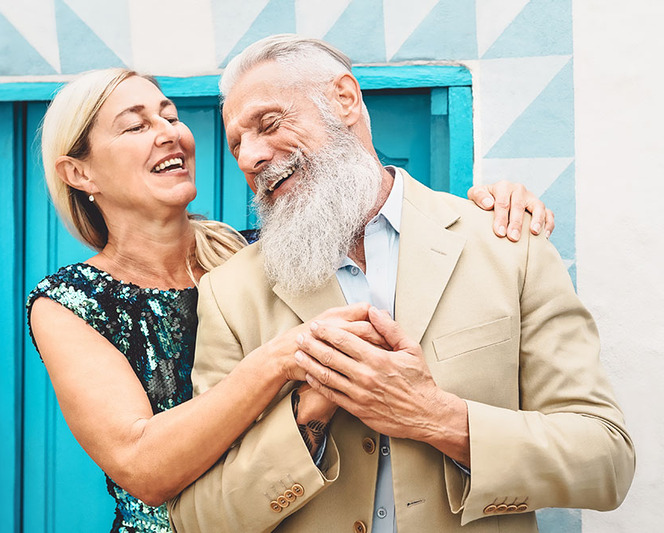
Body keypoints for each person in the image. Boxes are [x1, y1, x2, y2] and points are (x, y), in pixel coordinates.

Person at [26, 68, 555, 532]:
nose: (169, 134)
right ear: (79, 173)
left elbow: (389, 233)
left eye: (169, 115)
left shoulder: (268, 255)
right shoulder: (70, 303)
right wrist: (285, 356)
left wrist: (497, 207)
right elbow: (143, 468)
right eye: (137, 125)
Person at [167, 36, 635, 533]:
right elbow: (198, 519)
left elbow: (605, 462)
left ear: (344, 99)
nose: (250, 158)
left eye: (269, 123)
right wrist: (307, 420)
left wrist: (436, 417)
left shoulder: (509, 245)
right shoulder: (228, 293)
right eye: (237, 144)